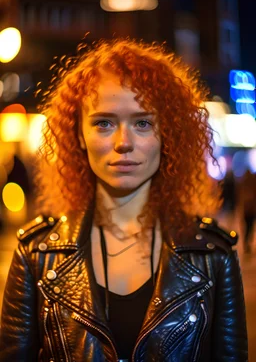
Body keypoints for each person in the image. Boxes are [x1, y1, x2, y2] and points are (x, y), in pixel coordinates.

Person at [0, 38, 248, 361]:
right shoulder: (36, 255)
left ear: (167, 133)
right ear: (78, 133)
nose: (123, 143)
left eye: (142, 123)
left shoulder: (213, 256)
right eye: (104, 123)